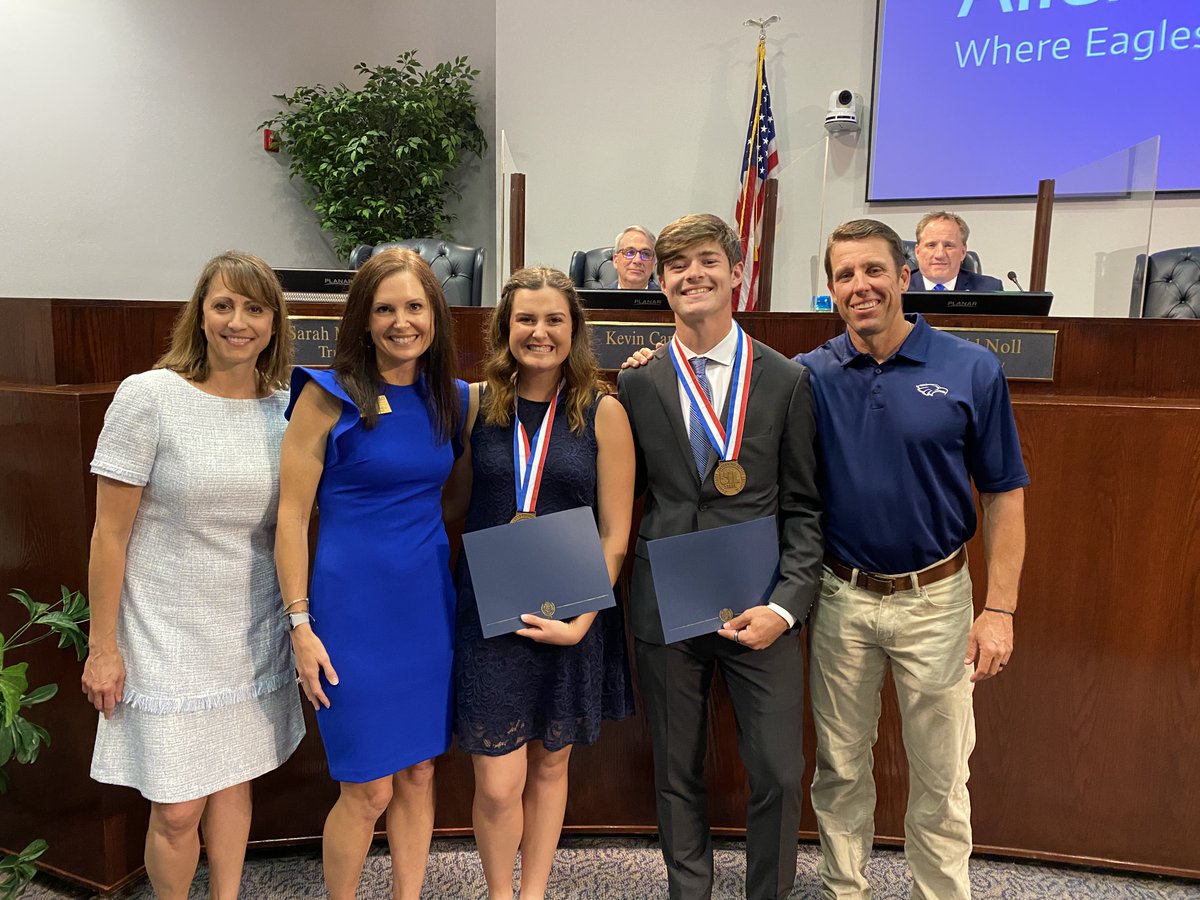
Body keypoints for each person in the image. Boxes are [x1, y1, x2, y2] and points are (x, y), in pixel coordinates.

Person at [799, 218, 1027, 899]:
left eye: (874, 270)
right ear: (832, 291)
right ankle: (845, 889)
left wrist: (1000, 611)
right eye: (845, 276)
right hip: (841, 597)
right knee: (839, 768)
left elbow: (1005, 495)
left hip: (938, 600)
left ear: (905, 276)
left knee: (939, 773)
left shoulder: (970, 368)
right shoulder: (811, 376)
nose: (860, 286)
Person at [81, 251, 304, 900]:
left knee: (235, 779)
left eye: (255, 308)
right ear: (200, 314)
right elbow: (109, 535)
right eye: (224, 305)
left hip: (249, 628)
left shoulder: (287, 410)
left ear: (274, 322)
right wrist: (103, 647)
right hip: (165, 634)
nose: (239, 322)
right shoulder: (149, 397)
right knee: (178, 807)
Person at [617, 213, 823, 900]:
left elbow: (804, 511)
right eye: (677, 265)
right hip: (666, 600)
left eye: (707, 260)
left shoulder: (787, 380)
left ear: (737, 273)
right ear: (662, 282)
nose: (692, 274)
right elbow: (625, 495)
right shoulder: (640, 382)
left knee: (779, 772)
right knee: (676, 771)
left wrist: (786, 607)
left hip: (759, 604)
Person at [275, 248, 467, 900]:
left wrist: (641, 365)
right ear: (362, 318)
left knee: (417, 773)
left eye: (414, 306)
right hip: (350, 614)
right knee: (366, 788)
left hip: (425, 611)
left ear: (435, 315)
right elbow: (292, 516)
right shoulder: (327, 396)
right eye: (385, 308)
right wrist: (300, 625)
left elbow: (545, 387)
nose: (401, 321)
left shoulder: (452, 398)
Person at [447, 266, 636, 900]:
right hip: (491, 613)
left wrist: (583, 618)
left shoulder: (603, 411)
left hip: (572, 611)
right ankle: (501, 893)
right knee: (498, 781)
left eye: (555, 319)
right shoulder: (476, 403)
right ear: (505, 327)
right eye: (526, 319)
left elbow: (615, 531)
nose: (540, 332)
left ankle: (533, 893)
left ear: (574, 329)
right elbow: (459, 506)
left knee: (551, 765)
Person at [908, 211, 1003, 292]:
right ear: (917, 251)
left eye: (949, 246)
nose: (940, 254)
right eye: (931, 245)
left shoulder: (989, 289)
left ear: (963, 252)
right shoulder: (899, 287)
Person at [607, 225, 661, 290]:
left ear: (654, 265)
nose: (637, 260)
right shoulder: (598, 298)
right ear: (615, 260)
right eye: (630, 252)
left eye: (646, 254)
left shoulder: (667, 299)